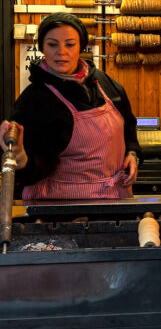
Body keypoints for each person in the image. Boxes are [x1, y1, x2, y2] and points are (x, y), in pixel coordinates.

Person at [0, 13, 141, 199]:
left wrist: (132, 153)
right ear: (42, 47)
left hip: (113, 199)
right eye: (52, 44)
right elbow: (32, 168)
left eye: (70, 44)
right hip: (60, 208)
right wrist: (21, 158)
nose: (61, 51)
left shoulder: (104, 83)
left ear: (81, 46)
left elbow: (128, 127)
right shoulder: (35, 101)